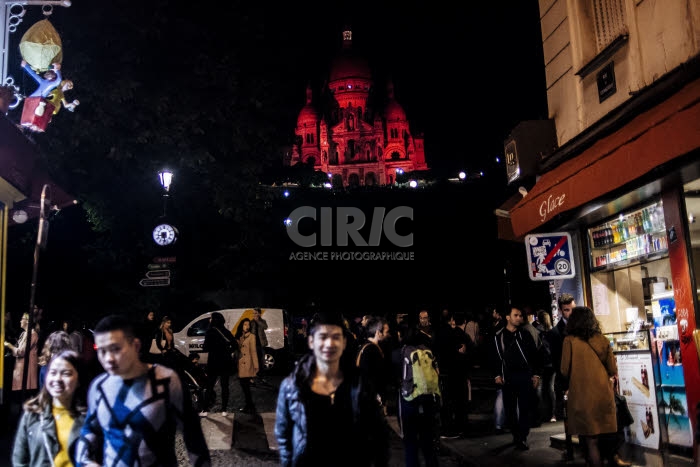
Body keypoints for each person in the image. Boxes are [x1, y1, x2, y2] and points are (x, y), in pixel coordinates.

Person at [75, 314, 210, 466]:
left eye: (116, 349)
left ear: (136, 346)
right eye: (102, 351)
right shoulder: (99, 387)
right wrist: (85, 462)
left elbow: (193, 436)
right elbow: (89, 432)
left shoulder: (166, 381)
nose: (108, 358)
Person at [275, 311, 389, 467]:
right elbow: (284, 435)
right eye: (323, 337)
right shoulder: (292, 386)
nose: (329, 344)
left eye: (335, 337)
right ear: (311, 342)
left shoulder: (359, 384)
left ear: (343, 342)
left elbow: (378, 435)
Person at [560, 306, 618, 467]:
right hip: (603, 394)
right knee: (604, 435)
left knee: (590, 439)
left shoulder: (569, 341)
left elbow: (564, 370)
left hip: (581, 396)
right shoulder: (602, 339)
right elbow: (612, 369)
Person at [12, 350, 87, 467]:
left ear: (78, 379)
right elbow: (19, 461)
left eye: (66, 373)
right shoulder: (33, 414)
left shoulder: (88, 418)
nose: (57, 379)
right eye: (53, 373)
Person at [490, 306, 541, 451]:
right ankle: (516, 434)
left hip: (524, 375)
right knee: (510, 408)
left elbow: (534, 355)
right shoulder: (498, 336)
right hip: (508, 377)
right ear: (507, 317)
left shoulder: (524, 334)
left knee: (525, 408)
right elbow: (493, 358)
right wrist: (497, 374)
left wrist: (535, 374)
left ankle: (522, 437)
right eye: (516, 315)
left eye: (520, 316)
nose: (519, 318)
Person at [202, 311, 238, 416]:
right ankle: (224, 410)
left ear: (214, 320)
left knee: (210, 386)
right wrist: (227, 351)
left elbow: (205, 348)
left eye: (211, 318)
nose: (210, 320)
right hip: (225, 362)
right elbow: (235, 345)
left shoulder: (209, 332)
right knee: (225, 386)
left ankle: (205, 410)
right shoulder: (226, 331)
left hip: (213, 362)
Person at [4, 312, 39, 393]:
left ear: (27, 321)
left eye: (22, 319)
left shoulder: (33, 334)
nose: (20, 321)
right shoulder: (23, 334)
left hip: (26, 370)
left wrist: (9, 345)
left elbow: (21, 352)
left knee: (23, 395)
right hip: (20, 369)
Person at [235, 318, 259, 413]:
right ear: (241, 325)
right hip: (240, 364)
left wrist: (256, 366)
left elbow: (253, 352)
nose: (247, 326)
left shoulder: (252, 336)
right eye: (245, 324)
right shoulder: (239, 336)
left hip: (248, 364)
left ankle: (249, 407)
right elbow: (237, 350)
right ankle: (250, 406)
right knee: (245, 387)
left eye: (248, 325)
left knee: (246, 387)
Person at [249, 307, 268, 378]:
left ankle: (261, 376)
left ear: (259, 314)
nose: (254, 314)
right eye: (253, 313)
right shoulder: (251, 322)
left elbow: (265, 327)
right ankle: (254, 375)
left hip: (261, 344)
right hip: (253, 344)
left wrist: (257, 321)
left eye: (256, 313)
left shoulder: (263, 321)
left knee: (261, 361)